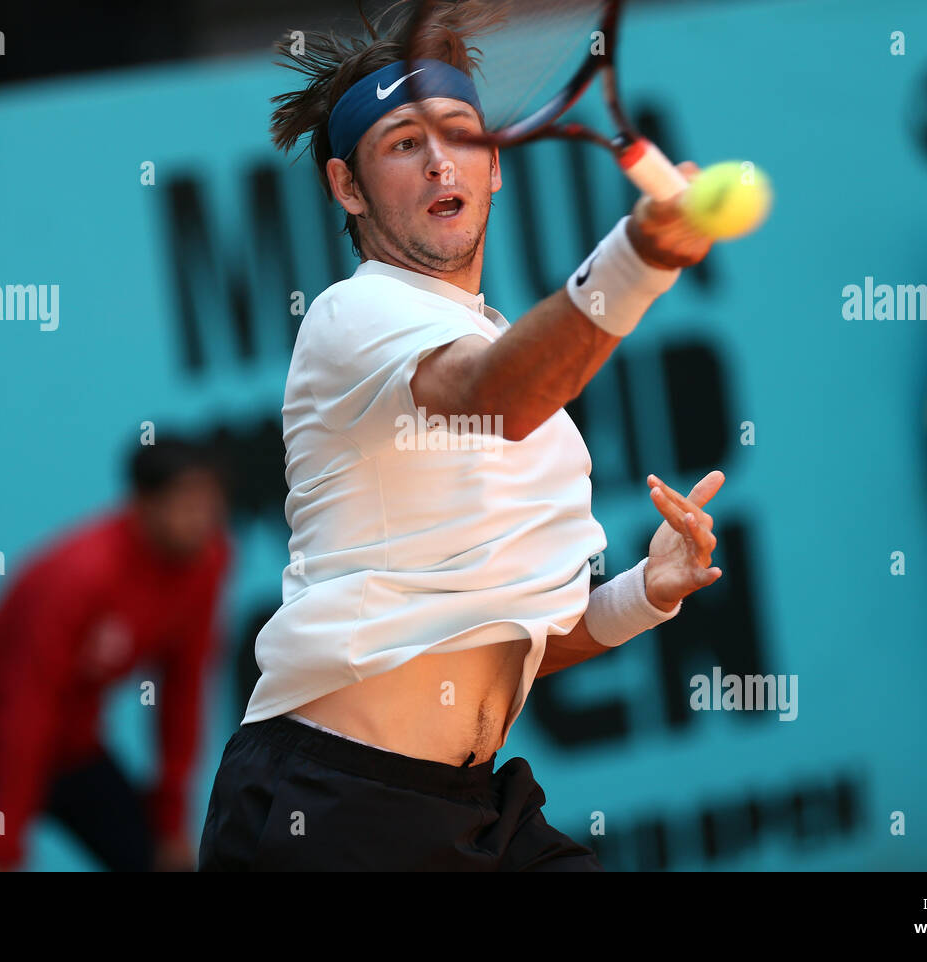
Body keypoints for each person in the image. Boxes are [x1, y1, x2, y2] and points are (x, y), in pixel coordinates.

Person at [199, 1, 724, 872]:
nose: (441, 159)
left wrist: (647, 591)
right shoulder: (353, 315)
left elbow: (511, 642)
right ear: (347, 187)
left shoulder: (527, 377)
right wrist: (640, 257)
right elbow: (494, 399)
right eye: (403, 143)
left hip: (475, 807)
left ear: (494, 168)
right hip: (328, 810)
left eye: (458, 133)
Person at [0, 435, 232, 871]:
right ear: (142, 505)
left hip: (71, 743)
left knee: (161, 863)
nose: (203, 520)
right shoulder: (80, 577)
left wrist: (171, 824)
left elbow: (183, 694)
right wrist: (0, 850)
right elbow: (27, 711)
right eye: (187, 504)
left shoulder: (208, 560)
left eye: (211, 503)